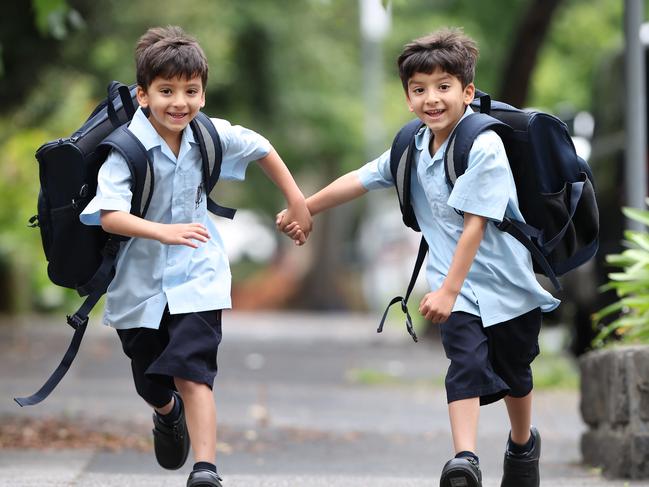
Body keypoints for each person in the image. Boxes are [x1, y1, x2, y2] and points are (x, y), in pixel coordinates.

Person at [278, 27, 559, 487]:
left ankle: (523, 444)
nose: (432, 98)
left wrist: (447, 289)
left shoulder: (484, 146)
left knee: (515, 372)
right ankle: (465, 460)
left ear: (467, 92)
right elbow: (362, 178)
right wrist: (304, 207)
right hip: (458, 289)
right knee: (465, 364)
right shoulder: (411, 145)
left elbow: (476, 225)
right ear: (407, 98)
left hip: (507, 285)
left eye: (444, 87)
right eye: (419, 89)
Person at [80, 25, 311, 487]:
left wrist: (298, 201)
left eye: (191, 91)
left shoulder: (209, 136)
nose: (179, 102)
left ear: (203, 93)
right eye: (166, 91)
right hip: (139, 285)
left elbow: (262, 147)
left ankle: (206, 470)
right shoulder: (125, 151)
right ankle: (167, 415)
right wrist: (161, 232)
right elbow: (109, 216)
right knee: (151, 380)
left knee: (194, 370)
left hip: (198, 277)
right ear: (143, 95)